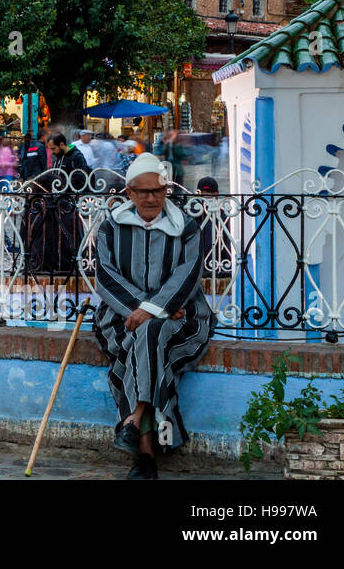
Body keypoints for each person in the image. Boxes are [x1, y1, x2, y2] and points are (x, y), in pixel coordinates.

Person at [93, 152, 215, 479]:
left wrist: (153, 309)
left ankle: (137, 435)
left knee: (143, 344)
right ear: (129, 193)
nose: (151, 198)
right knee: (146, 342)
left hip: (182, 317)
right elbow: (105, 277)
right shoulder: (110, 228)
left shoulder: (185, 228)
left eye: (158, 191)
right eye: (143, 191)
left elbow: (188, 275)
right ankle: (144, 442)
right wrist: (149, 308)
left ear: (165, 191)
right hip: (120, 318)